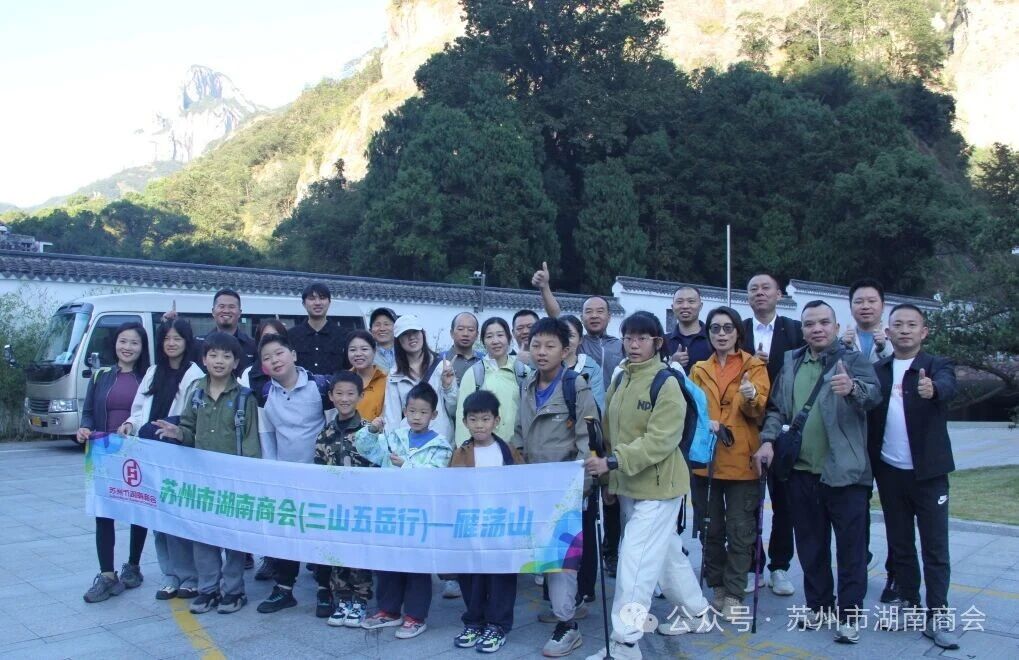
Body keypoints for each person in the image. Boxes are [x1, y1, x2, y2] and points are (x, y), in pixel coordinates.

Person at [583, 312, 714, 660]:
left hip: (659, 488)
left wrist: (613, 463)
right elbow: (609, 431)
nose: (634, 344)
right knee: (667, 554)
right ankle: (697, 613)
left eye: (642, 338)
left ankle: (625, 643)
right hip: (629, 484)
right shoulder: (621, 377)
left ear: (657, 342)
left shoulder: (666, 382)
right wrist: (610, 478)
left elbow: (661, 440)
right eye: (628, 337)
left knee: (635, 563)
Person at [754, 300, 881, 644]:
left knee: (851, 550)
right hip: (801, 471)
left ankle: (850, 614)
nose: (817, 329)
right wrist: (767, 441)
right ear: (803, 329)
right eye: (810, 324)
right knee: (811, 547)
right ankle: (819, 606)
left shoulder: (854, 361)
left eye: (824, 322)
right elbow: (777, 409)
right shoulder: (792, 361)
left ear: (836, 327)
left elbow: (874, 396)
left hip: (846, 473)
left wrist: (852, 389)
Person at [868, 304, 960, 650]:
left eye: (911, 325)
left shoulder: (937, 366)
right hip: (890, 472)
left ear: (924, 332)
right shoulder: (879, 370)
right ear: (888, 332)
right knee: (900, 543)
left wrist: (933, 389)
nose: (904, 330)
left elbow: (948, 387)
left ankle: (938, 614)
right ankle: (909, 601)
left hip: (929, 474)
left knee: (935, 547)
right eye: (898, 325)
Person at [153, 332, 260, 614]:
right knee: (203, 536)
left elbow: (251, 442)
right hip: (201, 480)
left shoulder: (244, 398)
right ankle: (208, 589)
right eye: (213, 355)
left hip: (233, 481)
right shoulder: (196, 393)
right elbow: (188, 429)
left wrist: (250, 479)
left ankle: (234, 591)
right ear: (204, 359)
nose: (219, 361)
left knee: (234, 537)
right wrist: (178, 433)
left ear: (236, 362)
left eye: (226, 356)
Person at [512, 317, 598, 658]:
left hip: (565, 488)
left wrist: (582, 487)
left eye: (550, 346)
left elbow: (588, 441)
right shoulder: (528, 385)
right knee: (546, 554)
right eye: (536, 345)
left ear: (566, 350)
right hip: (535, 485)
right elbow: (520, 433)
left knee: (562, 557)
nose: (542, 352)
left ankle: (568, 626)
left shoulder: (577, 387)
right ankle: (565, 609)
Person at [688, 307, 770, 621]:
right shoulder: (699, 368)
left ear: (738, 332)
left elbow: (758, 412)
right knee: (710, 528)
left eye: (727, 328)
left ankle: (735, 591)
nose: (721, 334)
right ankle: (717, 586)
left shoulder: (754, 365)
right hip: (705, 459)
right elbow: (690, 408)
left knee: (740, 531)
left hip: (741, 461)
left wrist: (750, 396)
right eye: (715, 328)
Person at [356, 383, 453, 640]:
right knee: (388, 562)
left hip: (420, 517)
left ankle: (415, 616)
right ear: (405, 411)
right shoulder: (394, 437)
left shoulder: (441, 446)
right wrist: (371, 430)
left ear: (433, 415)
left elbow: (435, 476)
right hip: (391, 512)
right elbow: (365, 449)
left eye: (423, 412)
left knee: (417, 566)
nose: (416, 417)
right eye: (411, 411)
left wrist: (406, 466)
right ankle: (388, 610)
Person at [118, 319, 204, 602]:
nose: (171, 343)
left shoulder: (194, 374)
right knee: (157, 517)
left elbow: (191, 417)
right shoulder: (153, 372)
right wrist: (130, 424)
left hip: (177, 455)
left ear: (187, 341)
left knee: (178, 518)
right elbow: (138, 409)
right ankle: (170, 575)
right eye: (167, 338)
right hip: (150, 453)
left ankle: (189, 577)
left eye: (177, 338)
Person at [255, 334, 329, 614]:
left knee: (320, 534)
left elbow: (332, 427)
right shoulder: (265, 393)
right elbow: (267, 436)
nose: (274, 360)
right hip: (286, 478)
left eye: (279, 353)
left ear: (294, 355)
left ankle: (325, 589)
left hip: (319, 477)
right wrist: (272, 475)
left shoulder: (319, 387)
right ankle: (284, 589)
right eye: (267, 358)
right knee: (287, 533)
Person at [79, 322, 151, 603]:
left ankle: (133, 565)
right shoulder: (101, 375)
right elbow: (88, 412)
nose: (127, 347)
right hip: (103, 453)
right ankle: (107, 574)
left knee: (138, 510)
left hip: (136, 454)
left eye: (134, 342)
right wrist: (85, 428)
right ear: (115, 344)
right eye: (123, 341)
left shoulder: (148, 377)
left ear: (142, 347)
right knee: (103, 512)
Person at [742, 273, 804, 596]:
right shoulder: (738, 330)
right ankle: (753, 564)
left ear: (779, 294)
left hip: (783, 428)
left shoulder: (794, 330)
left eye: (766, 288)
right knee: (749, 502)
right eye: (753, 289)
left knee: (785, 503)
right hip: (746, 426)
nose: (760, 293)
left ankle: (780, 566)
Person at [450, 390, 524, 654]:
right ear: (465, 422)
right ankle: (474, 621)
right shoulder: (461, 453)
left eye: (485, 419)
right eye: (473, 419)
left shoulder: (508, 451)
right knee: (472, 577)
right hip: (471, 527)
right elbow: (451, 490)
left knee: (500, 577)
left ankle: (498, 625)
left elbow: (523, 485)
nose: (479, 425)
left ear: (496, 420)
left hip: (500, 526)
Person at [843, 278, 897, 603]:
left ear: (882, 306)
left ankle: (895, 572)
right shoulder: (844, 342)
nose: (865, 306)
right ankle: (858, 561)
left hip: (887, 436)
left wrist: (884, 348)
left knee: (894, 509)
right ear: (851, 307)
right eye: (859, 301)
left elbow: (894, 380)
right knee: (855, 507)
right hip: (854, 436)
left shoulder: (894, 340)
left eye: (871, 301)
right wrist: (843, 348)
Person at [313, 371, 376, 628]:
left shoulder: (368, 432)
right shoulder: (325, 433)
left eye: (351, 393)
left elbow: (378, 468)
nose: (344, 399)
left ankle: (360, 599)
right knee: (337, 553)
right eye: (339, 393)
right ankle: (343, 599)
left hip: (360, 507)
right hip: (335, 507)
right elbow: (318, 469)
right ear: (331, 396)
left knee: (358, 553)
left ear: (360, 396)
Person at [239, 319, 287, 582]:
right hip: (261, 440)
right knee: (267, 504)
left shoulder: (298, 375)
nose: (271, 349)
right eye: (264, 339)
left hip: (289, 447)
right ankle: (269, 558)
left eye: (275, 339)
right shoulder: (249, 374)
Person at [535, 266, 622, 387]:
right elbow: (555, 316)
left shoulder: (620, 345)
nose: (594, 315)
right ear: (582, 318)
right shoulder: (577, 342)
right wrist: (544, 287)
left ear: (609, 317)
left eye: (600, 311)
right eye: (589, 311)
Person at [453, 317, 528, 447]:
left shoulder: (523, 371)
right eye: (489, 336)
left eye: (500, 335)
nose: (495, 341)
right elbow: (462, 415)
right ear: (483, 341)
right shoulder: (474, 373)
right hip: (484, 447)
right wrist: (465, 449)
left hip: (518, 447)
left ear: (509, 338)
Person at [383, 314, 458, 440]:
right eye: (405, 334)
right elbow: (392, 417)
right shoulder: (395, 374)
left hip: (440, 442)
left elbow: (454, 410)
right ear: (398, 340)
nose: (411, 337)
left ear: (423, 333)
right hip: (408, 443)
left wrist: (448, 387)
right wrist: (392, 445)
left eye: (415, 332)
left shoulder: (442, 367)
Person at [190, 289, 258, 374]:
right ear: (213, 312)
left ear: (239, 313)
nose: (226, 311)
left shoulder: (252, 346)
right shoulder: (197, 344)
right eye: (221, 306)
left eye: (231, 307)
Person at [290, 283, 345, 375]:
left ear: (329, 302)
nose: (317, 303)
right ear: (303, 303)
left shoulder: (343, 335)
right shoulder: (291, 335)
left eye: (322, 298)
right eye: (312, 299)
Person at [561, 314, 605, 411]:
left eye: (571, 336)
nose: (565, 340)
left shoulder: (592, 369)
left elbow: (596, 407)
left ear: (580, 340)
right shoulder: (546, 366)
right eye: (561, 335)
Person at [665, 286, 712, 374]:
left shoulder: (713, 339)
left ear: (700, 306)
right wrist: (672, 363)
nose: (685, 306)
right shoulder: (663, 341)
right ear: (672, 307)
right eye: (679, 302)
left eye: (691, 301)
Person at [343, 329, 387, 421]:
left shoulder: (386, 380)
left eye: (364, 349)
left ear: (374, 351)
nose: (358, 354)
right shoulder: (343, 381)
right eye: (353, 350)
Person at [445, 312, 484, 383]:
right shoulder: (440, 360)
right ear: (452, 333)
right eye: (460, 329)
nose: (465, 334)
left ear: (477, 335)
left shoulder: (484, 361)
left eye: (471, 330)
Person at [370, 307, 398, 373]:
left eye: (386, 324)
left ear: (396, 328)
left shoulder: (406, 351)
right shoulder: (367, 354)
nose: (382, 329)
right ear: (370, 330)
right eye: (377, 325)